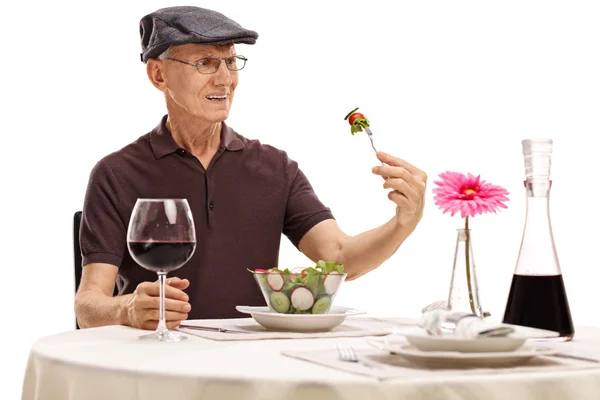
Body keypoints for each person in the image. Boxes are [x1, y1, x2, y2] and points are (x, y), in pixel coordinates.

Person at [74, 5, 427, 330]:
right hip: (155, 369)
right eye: (206, 63)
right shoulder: (116, 174)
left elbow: (339, 257)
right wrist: (126, 309)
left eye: (231, 61)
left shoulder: (275, 168)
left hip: (254, 367)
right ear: (159, 75)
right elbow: (88, 304)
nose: (225, 79)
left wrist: (402, 224)